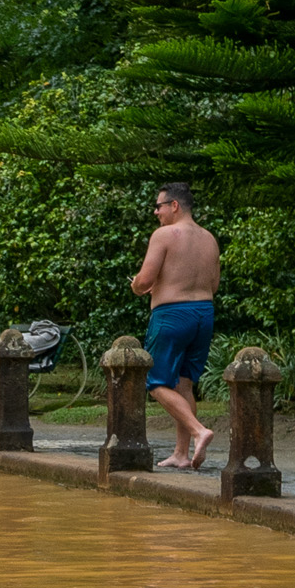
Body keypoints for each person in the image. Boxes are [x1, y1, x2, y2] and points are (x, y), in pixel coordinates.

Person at [130, 181, 221, 470]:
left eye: (158, 206)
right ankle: (182, 454)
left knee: (155, 382)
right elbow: (214, 285)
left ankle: (198, 431)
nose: (155, 212)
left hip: (171, 315)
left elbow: (144, 281)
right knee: (184, 383)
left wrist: (137, 285)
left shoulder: (164, 235)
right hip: (203, 314)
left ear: (174, 205)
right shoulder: (209, 238)